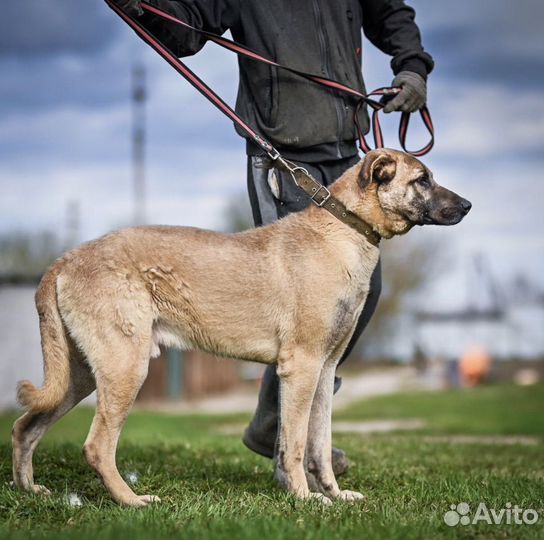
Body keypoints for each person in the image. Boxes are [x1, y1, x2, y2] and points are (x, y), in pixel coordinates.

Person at [111, 0, 434, 474]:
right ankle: (290, 451)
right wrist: (144, 7)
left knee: (362, 296)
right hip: (282, 155)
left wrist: (412, 69)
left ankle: (274, 426)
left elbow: (390, 13)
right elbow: (188, 26)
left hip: (347, 154)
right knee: (297, 307)